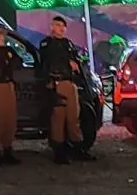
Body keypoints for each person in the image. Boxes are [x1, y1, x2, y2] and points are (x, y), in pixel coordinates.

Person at [39, 16, 95, 164]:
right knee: (58, 118)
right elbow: (49, 60)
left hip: (70, 83)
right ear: (51, 27)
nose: (61, 28)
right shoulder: (47, 44)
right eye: (57, 25)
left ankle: (78, 148)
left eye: (63, 26)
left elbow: (75, 60)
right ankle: (59, 151)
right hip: (57, 83)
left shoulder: (68, 44)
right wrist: (67, 62)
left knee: (73, 118)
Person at [0, 25, 21, 165]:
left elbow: (18, 62)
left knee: (10, 119)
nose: (2, 39)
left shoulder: (8, 50)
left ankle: (7, 148)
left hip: (9, 85)